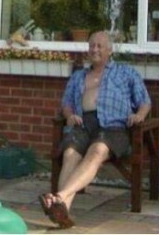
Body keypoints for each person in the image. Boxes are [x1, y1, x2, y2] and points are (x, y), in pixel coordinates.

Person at [39, 31, 152, 228]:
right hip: (84, 123)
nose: (95, 49)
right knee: (70, 153)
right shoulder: (78, 76)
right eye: (92, 45)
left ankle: (60, 197)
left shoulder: (126, 72)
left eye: (100, 46)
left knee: (97, 151)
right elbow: (66, 103)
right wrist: (69, 116)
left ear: (110, 50)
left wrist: (140, 116)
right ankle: (62, 211)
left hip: (113, 125)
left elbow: (144, 101)